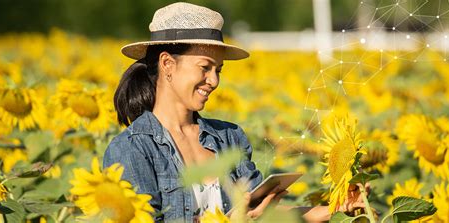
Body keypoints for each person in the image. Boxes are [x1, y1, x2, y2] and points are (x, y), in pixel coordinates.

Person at [103, 2, 367, 223]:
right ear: (167, 64)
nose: (214, 81)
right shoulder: (130, 150)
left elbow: (263, 214)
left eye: (218, 70)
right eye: (205, 67)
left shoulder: (228, 137)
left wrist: (334, 207)